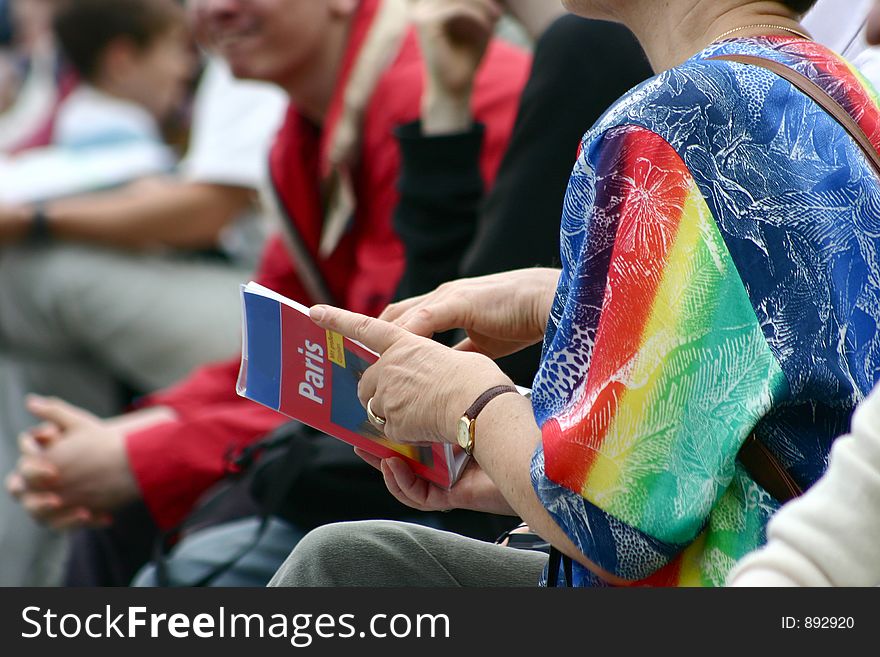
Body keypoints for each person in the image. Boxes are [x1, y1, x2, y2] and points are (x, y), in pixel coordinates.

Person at [269, 0, 880, 588]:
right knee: (353, 562)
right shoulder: (841, 89)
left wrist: (470, 404)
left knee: (339, 573)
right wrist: (553, 316)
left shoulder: (673, 122)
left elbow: (612, 531)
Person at [5, 0, 529, 586]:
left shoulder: (433, 86)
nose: (216, 9)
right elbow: (280, 342)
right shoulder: (301, 127)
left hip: (460, 468)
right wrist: (131, 438)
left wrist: (145, 456)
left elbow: (375, 377)